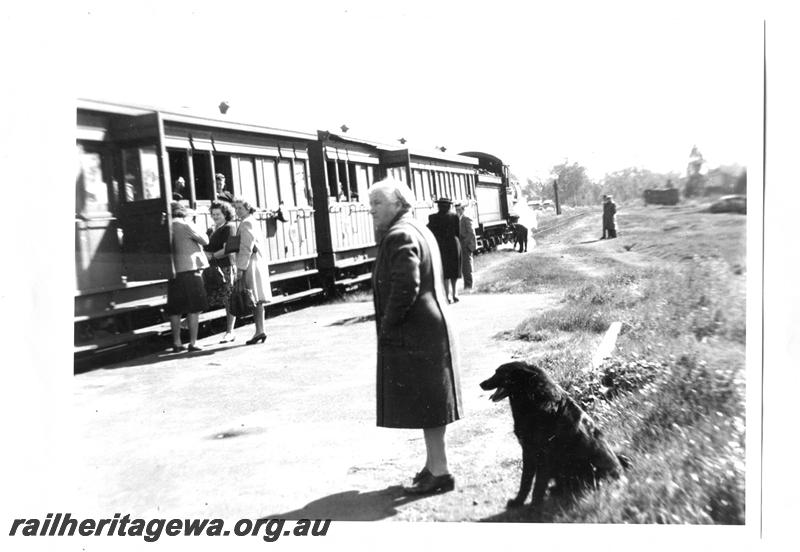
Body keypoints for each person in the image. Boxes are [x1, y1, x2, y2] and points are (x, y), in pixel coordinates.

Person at [368, 178, 463, 495]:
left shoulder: (399, 234)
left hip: (417, 328)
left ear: (396, 203)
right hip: (429, 326)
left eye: (377, 204)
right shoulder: (417, 228)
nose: (372, 211)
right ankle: (434, 465)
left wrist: (388, 325)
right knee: (430, 401)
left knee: (429, 402)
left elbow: (405, 286)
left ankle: (440, 472)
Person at [166, 201, 209, 352]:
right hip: (190, 270)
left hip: (173, 272)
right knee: (194, 308)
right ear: (182, 212)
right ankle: (193, 342)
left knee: (175, 309)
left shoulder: (166, 226)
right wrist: (191, 222)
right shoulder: (185, 225)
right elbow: (205, 240)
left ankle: (177, 343)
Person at [232, 198, 271, 344]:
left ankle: (260, 330)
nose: (237, 211)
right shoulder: (251, 221)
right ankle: (260, 331)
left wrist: (240, 268)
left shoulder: (246, 222)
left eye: (240, 208)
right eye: (236, 208)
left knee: (253, 298)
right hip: (254, 262)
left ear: (248, 209)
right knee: (256, 299)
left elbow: (246, 247)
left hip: (250, 264)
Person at [204, 200, 238, 343]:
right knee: (209, 296)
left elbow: (228, 249)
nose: (215, 216)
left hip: (225, 267)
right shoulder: (212, 229)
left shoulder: (229, 227)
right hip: (212, 268)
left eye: (218, 214)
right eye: (213, 214)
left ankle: (230, 332)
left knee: (228, 299)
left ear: (225, 214)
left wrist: (211, 255)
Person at [427, 197, 462, 303]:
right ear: (449, 206)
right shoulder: (454, 216)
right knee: (454, 271)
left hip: (441, 246)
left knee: (445, 271)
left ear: (439, 206)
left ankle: (447, 295)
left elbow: (431, 232)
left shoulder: (432, 217)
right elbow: (458, 232)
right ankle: (455, 293)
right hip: (453, 245)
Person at [456, 201, 477, 289]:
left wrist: (464, 244)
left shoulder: (466, 219)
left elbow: (471, 234)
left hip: (466, 246)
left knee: (467, 267)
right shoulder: (458, 220)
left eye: (459, 210)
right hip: (461, 246)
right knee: (463, 267)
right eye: (456, 210)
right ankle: (466, 285)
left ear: (462, 210)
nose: (457, 211)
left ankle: (469, 286)